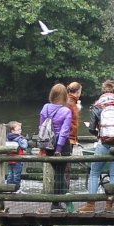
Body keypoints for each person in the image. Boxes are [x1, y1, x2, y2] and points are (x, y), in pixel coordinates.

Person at [83, 81, 114, 212]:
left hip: (103, 143)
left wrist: (99, 134)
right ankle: (109, 204)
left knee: (94, 173)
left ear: (103, 91)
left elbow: (91, 128)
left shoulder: (97, 106)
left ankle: (91, 204)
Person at [36, 82, 74, 210]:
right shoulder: (66, 111)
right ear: (65, 96)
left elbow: (41, 128)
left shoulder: (45, 107)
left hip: (47, 144)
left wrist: (42, 148)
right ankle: (57, 203)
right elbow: (64, 132)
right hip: (61, 146)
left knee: (58, 173)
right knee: (59, 173)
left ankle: (63, 200)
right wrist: (59, 148)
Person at [5, 120, 28, 187]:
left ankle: (8, 187)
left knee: (10, 175)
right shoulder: (19, 139)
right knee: (16, 175)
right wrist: (24, 140)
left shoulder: (8, 138)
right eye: (18, 129)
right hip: (18, 160)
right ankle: (16, 188)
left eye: (20, 129)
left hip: (10, 159)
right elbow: (24, 146)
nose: (20, 131)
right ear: (13, 131)